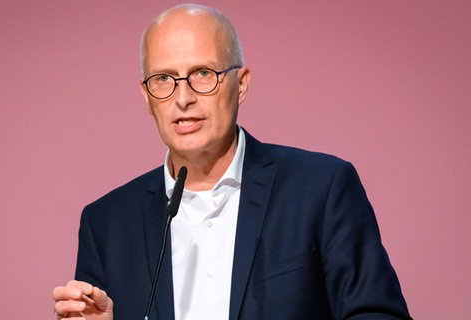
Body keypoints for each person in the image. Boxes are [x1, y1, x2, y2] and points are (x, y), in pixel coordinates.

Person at [52, 3, 411, 320]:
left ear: (241, 84)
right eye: (164, 79)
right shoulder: (107, 224)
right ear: (146, 97)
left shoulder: (321, 188)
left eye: (203, 74)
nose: (184, 98)